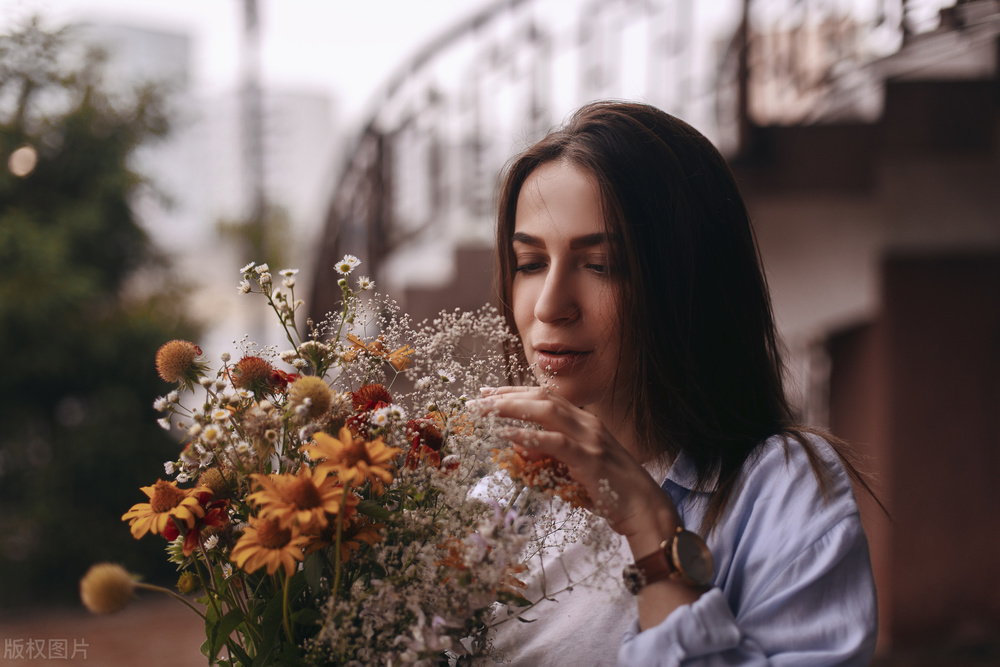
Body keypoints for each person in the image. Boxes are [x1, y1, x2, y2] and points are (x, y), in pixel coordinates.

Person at [472, 101, 878, 665]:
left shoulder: (778, 486)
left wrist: (651, 528)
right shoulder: (500, 499)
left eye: (602, 265)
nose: (549, 306)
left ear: (688, 283)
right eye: (530, 262)